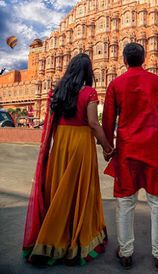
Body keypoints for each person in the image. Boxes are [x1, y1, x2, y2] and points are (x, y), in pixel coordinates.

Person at [22, 53, 113, 266]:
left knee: (59, 190)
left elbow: (51, 123)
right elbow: (93, 123)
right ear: (88, 72)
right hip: (80, 144)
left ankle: (50, 238)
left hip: (61, 144)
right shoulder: (89, 92)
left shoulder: (57, 92)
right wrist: (107, 147)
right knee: (80, 190)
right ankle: (75, 241)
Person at [102, 43, 158, 270]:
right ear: (144, 59)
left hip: (127, 150)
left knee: (125, 202)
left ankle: (126, 252)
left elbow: (109, 120)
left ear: (124, 60)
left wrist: (107, 147)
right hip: (154, 149)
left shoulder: (116, 84)